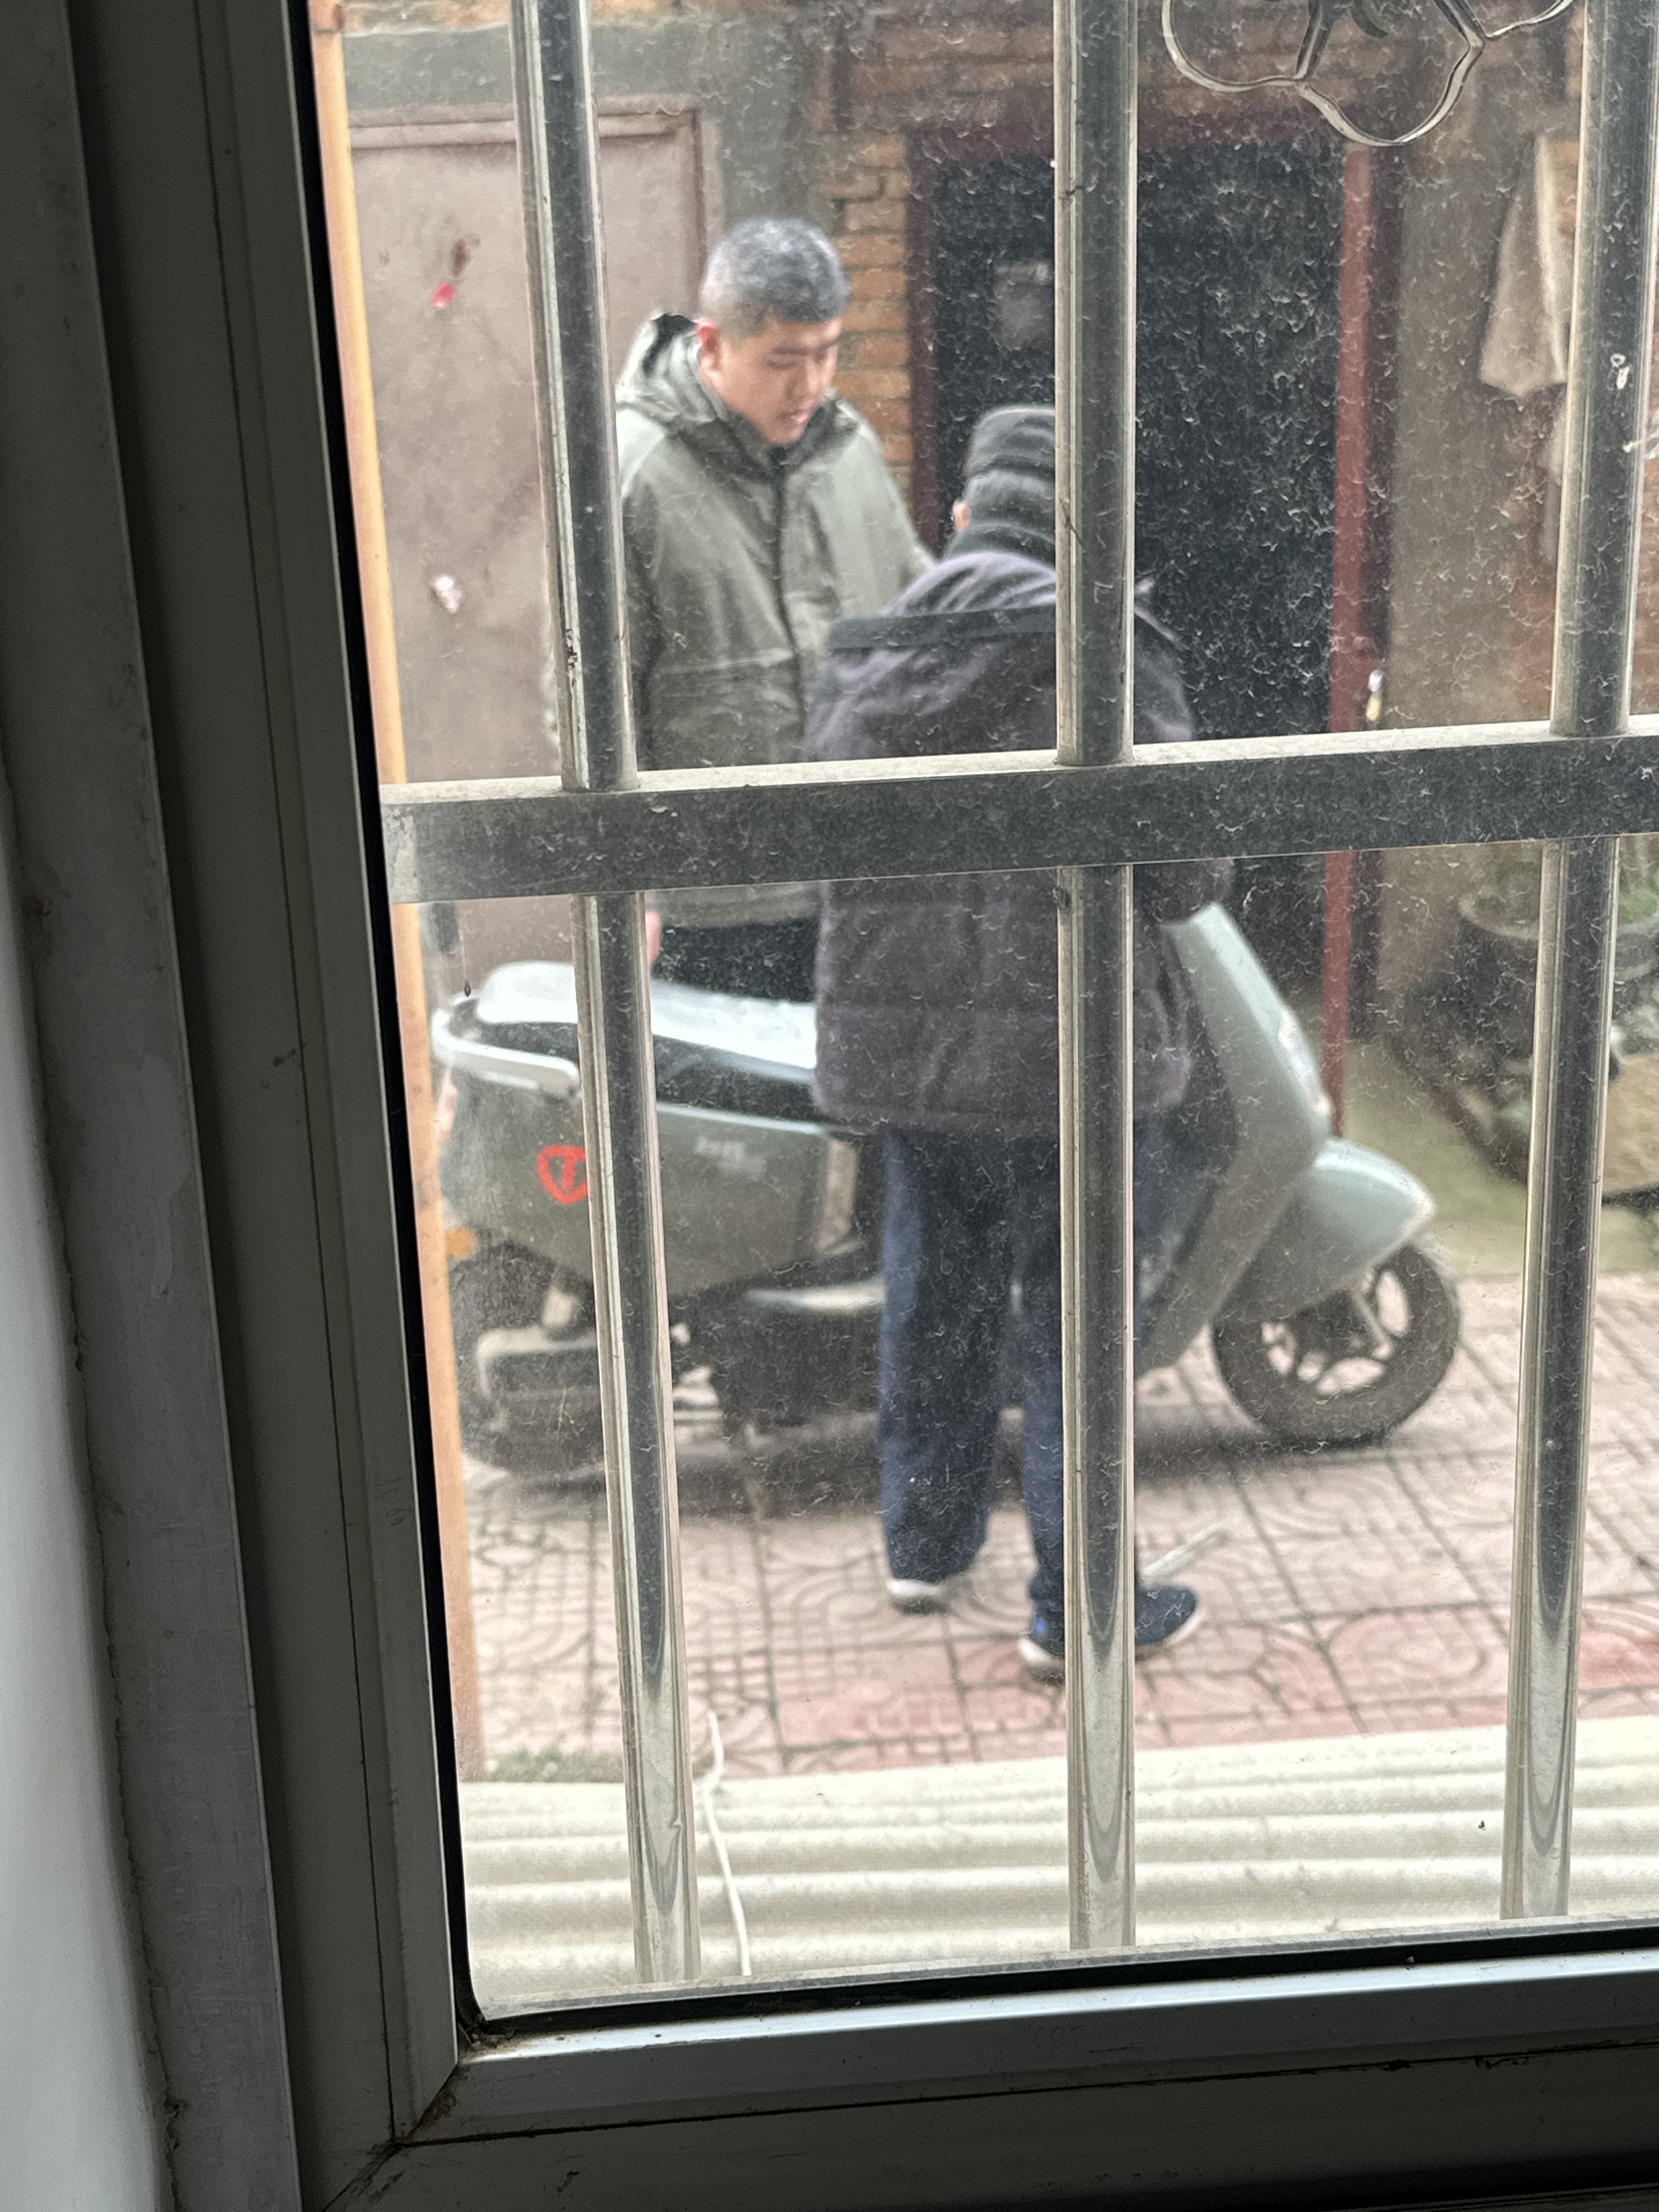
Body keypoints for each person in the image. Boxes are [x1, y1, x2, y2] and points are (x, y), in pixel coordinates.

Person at [806, 405, 1233, 1681]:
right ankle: (1077, 1612)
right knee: (1074, 1329)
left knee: (935, 1297)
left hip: (914, 1065)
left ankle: (923, 1547)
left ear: (960, 517)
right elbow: (1190, 873)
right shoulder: (1110, 643)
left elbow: (821, 834)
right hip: (1073, 1061)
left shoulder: (879, 646)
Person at [613, 217, 930, 1001]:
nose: (811, 385)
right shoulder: (635, 476)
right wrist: (624, 884)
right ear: (713, 345)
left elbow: (918, 624)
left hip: (863, 882)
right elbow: (590, 702)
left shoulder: (849, 450)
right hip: (715, 902)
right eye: (784, 361)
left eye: (827, 353)